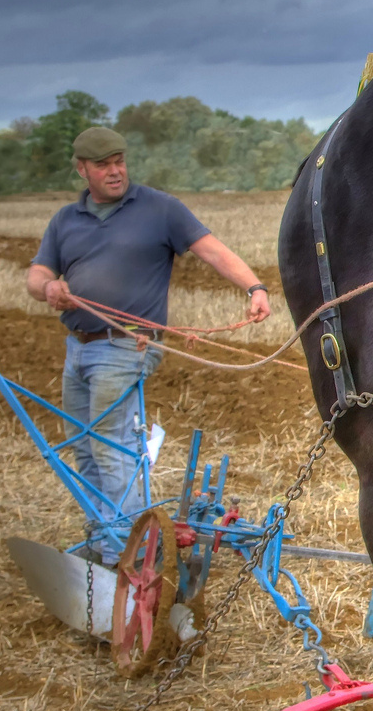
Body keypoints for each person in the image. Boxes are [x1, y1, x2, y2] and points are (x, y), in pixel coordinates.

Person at [27, 125, 272, 517]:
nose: (115, 171)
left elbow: (213, 252)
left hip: (127, 345)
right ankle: (104, 537)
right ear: (81, 170)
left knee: (110, 444)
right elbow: (37, 274)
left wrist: (254, 287)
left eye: (119, 162)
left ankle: (132, 549)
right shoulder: (65, 220)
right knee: (83, 446)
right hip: (77, 347)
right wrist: (49, 288)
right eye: (103, 165)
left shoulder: (159, 208)